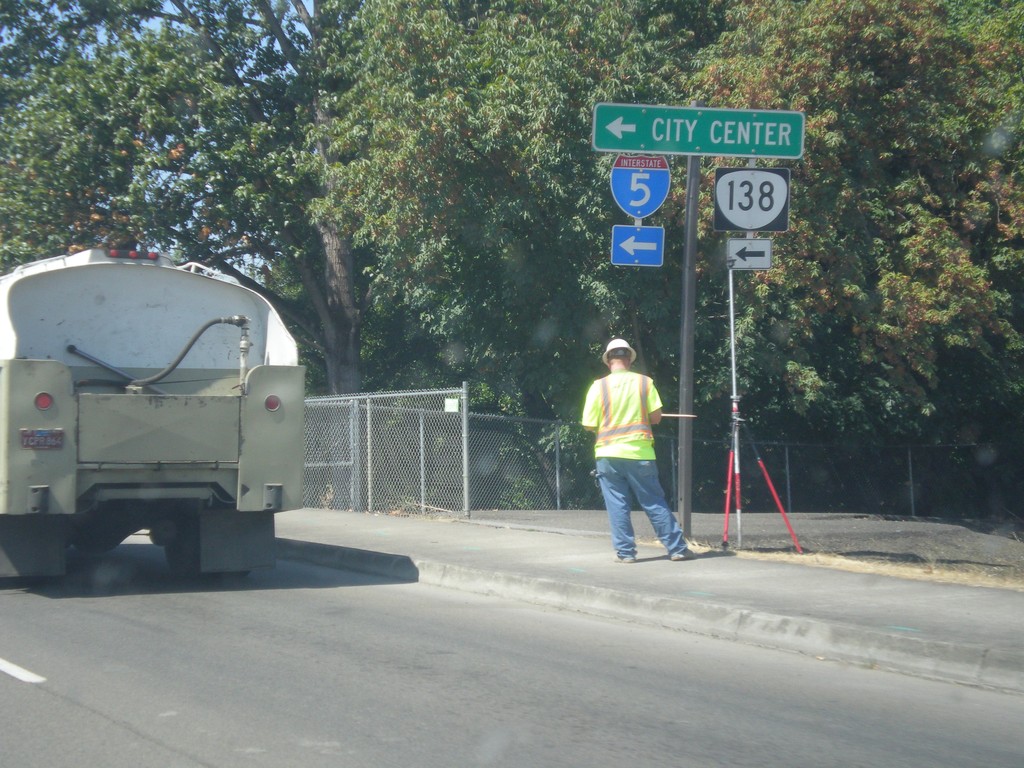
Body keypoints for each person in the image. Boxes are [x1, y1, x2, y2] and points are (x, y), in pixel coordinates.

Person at [582, 338, 696, 563]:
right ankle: (677, 549)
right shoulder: (644, 383)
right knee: (653, 501)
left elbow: (588, 423)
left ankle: (626, 554)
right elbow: (655, 418)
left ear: (608, 361)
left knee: (617, 505)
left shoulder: (598, 386)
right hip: (640, 453)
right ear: (629, 359)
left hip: (608, 454)